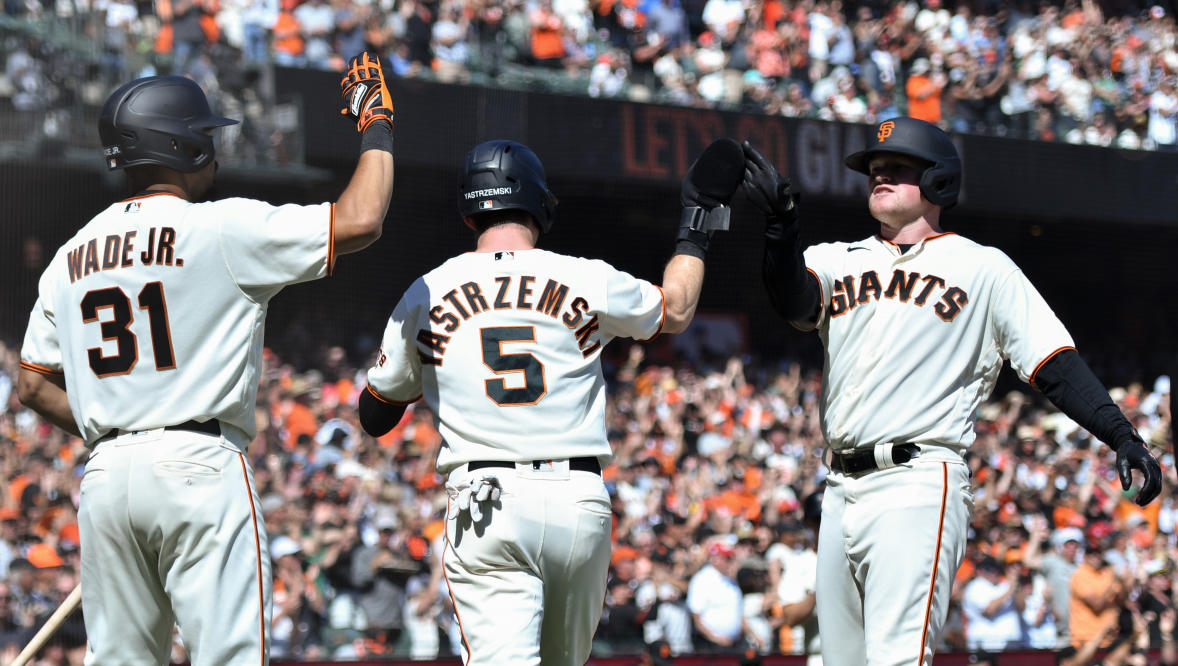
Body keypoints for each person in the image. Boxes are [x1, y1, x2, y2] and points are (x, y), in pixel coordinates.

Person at [16, 51, 396, 665]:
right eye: (205, 138)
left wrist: (113, 429)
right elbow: (363, 218)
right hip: (197, 464)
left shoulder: (69, 255)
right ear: (181, 148)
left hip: (109, 475)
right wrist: (375, 122)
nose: (215, 152)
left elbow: (31, 386)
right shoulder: (220, 227)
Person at [743, 115, 1163, 665]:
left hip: (917, 480)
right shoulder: (835, 258)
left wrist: (1121, 433)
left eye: (898, 168)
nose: (880, 176)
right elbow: (794, 301)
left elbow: (1053, 363)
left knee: (899, 659)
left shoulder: (983, 268)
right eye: (874, 168)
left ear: (939, 181)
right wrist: (781, 228)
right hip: (840, 486)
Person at [357, 136, 743, 664]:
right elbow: (674, 309)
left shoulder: (428, 289)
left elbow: (375, 414)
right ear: (540, 202)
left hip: (486, 499)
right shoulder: (583, 275)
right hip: (577, 499)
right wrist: (697, 220)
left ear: (470, 211)